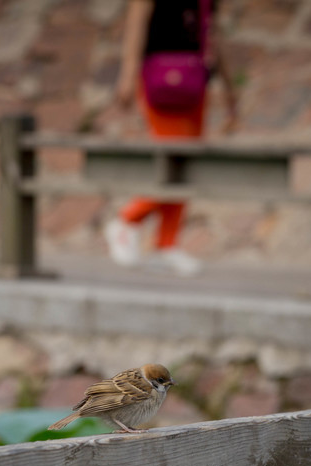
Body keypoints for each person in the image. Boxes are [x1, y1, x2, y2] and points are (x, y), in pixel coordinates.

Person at [103, 0, 239, 276]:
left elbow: (212, 33)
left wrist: (228, 86)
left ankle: (166, 244)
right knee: (175, 159)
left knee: (189, 162)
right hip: (160, 75)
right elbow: (136, 24)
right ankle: (128, 220)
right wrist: (128, 76)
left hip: (195, 77)